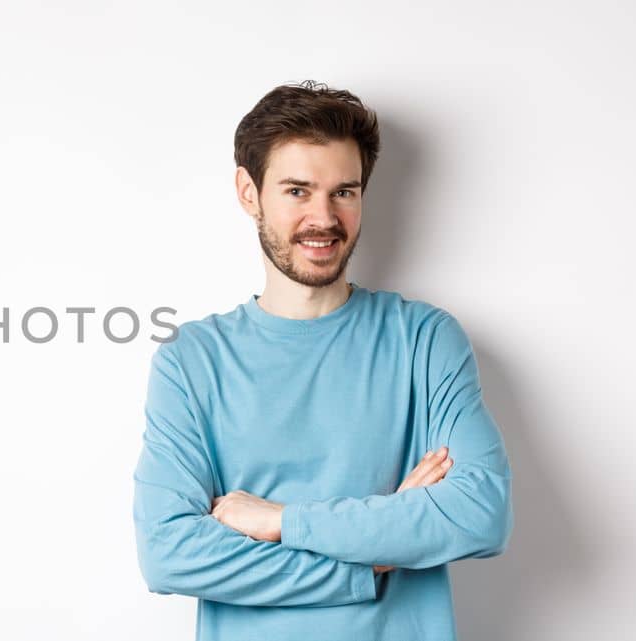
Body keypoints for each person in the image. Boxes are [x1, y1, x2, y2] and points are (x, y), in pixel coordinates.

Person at [131, 80, 513, 641]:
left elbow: (479, 514)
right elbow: (168, 554)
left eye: (344, 192)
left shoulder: (425, 340)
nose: (324, 218)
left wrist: (280, 521)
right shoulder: (192, 362)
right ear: (248, 192)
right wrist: (371, 560)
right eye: (297, 191)